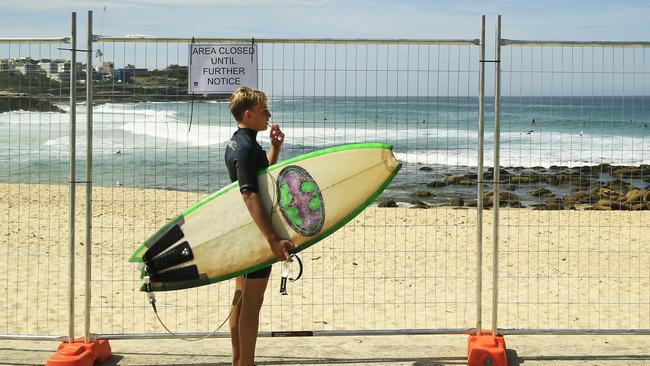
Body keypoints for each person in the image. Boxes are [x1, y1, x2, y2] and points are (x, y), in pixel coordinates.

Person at [225, 87, 295, 366]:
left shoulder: (240, 142)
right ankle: (246, 363)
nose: (268, 114)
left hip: (244, 229)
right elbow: (249, 193)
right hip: (256, 232)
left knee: (241, 296)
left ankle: (238, 360)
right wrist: (272, 239)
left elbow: (258, 176)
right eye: (264, 109)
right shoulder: (245, 147)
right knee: (252, 302)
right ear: (249, 114)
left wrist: (275, 149)